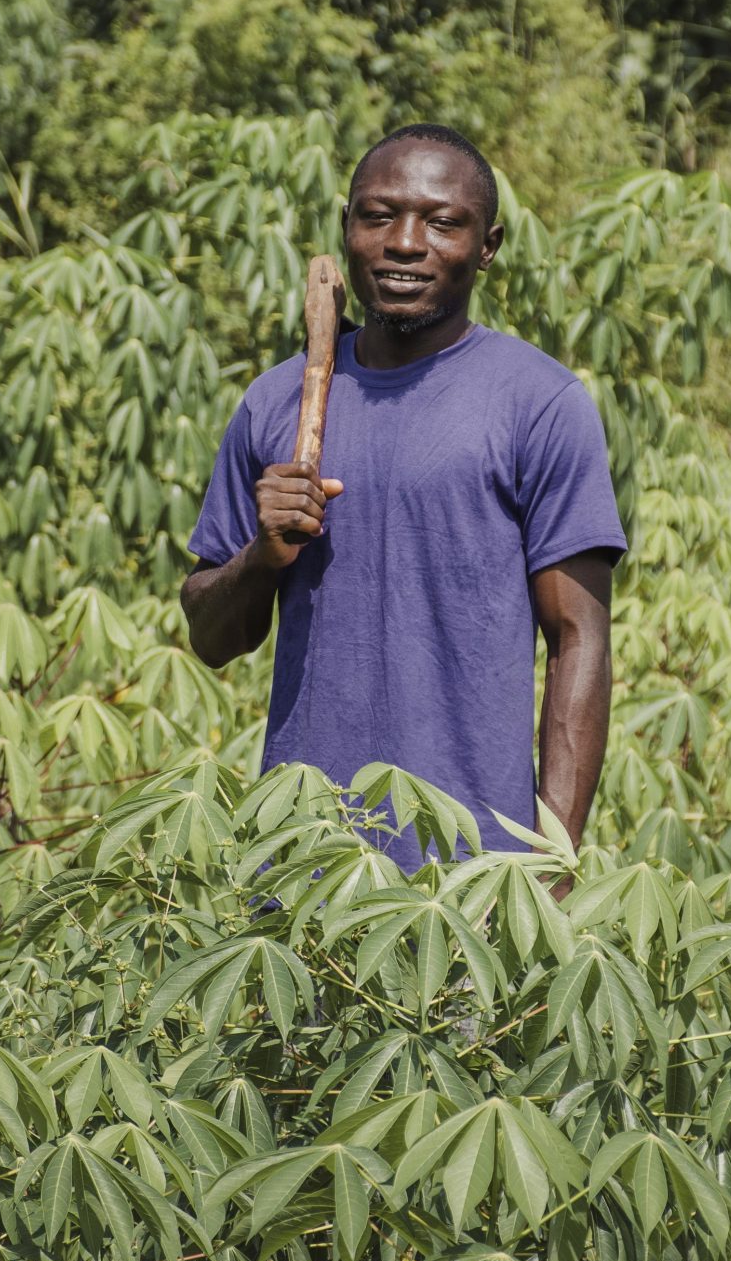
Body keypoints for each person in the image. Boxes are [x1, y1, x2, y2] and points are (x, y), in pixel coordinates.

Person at [181, 124, 625, 873]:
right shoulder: (274, 403)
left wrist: (551, 863)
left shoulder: (539, 402)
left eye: (442, 222)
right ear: (347, 229)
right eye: (377, 216)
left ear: (488, 247)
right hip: (302, 858)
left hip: (476, 869)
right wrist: (262, 555)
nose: (405, 243)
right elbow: (212, 637)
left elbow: (579, 638)